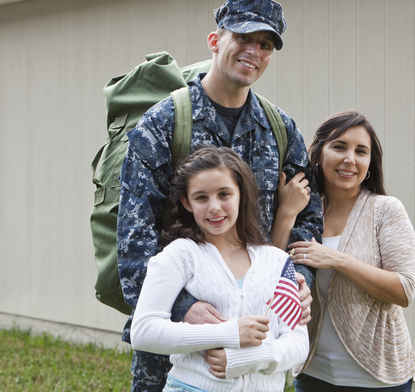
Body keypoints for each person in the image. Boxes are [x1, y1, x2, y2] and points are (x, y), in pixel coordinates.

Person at [117, 0, 323, 391]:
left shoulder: (280, 129)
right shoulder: (163, 124)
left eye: (265, 45)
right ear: (215, 41)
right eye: (243, 38)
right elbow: (133, 241)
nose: (254, 52)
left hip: (257, 340)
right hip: (178, 342)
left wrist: (298, 281)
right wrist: (184, 309)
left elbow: (308, 218)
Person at [130, 145, 309, 392]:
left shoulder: (277, 261)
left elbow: (298, 344)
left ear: (242, 195)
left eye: (224, 194)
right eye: (201, 197)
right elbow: (143, 331)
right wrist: (228, 333)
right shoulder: (181, 254)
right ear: (187, 202)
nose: (214, 207)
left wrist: (247, 359)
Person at [280, 111, 415, 391]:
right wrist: (285, 212)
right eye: (339, 146)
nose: (349, 159)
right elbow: (271, 266)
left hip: (378, 378)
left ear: (369, 163)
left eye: (361, 151)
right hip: (312, 375)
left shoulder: (385, 210)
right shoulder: (303, 210)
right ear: (318, 154)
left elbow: (404, 290)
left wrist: (337, 260)